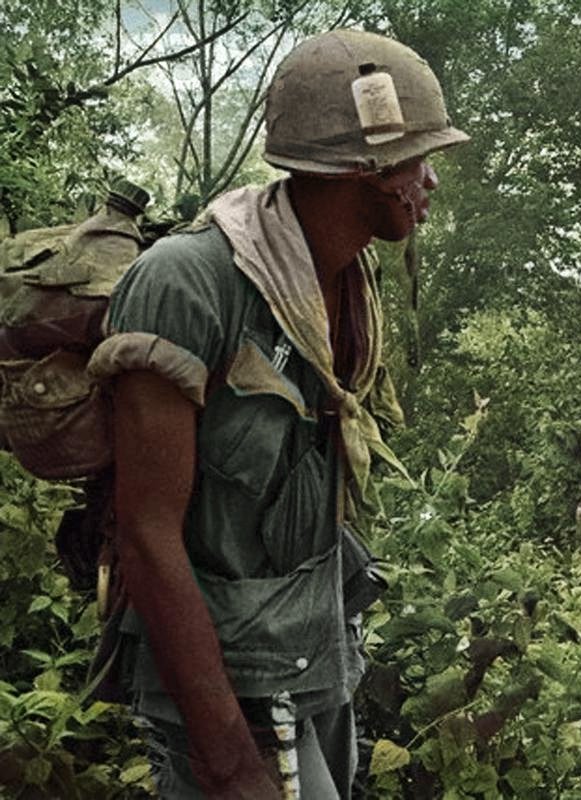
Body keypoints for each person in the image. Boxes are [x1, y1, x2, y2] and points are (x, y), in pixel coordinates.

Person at [87, 29, 468, 798]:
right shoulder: (186, 285)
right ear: (359, 169)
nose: (429, 180)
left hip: (315, 651)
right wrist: (228, 760)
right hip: (223, 687)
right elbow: (146, 533)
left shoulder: (348, 276)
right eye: (414, 161)